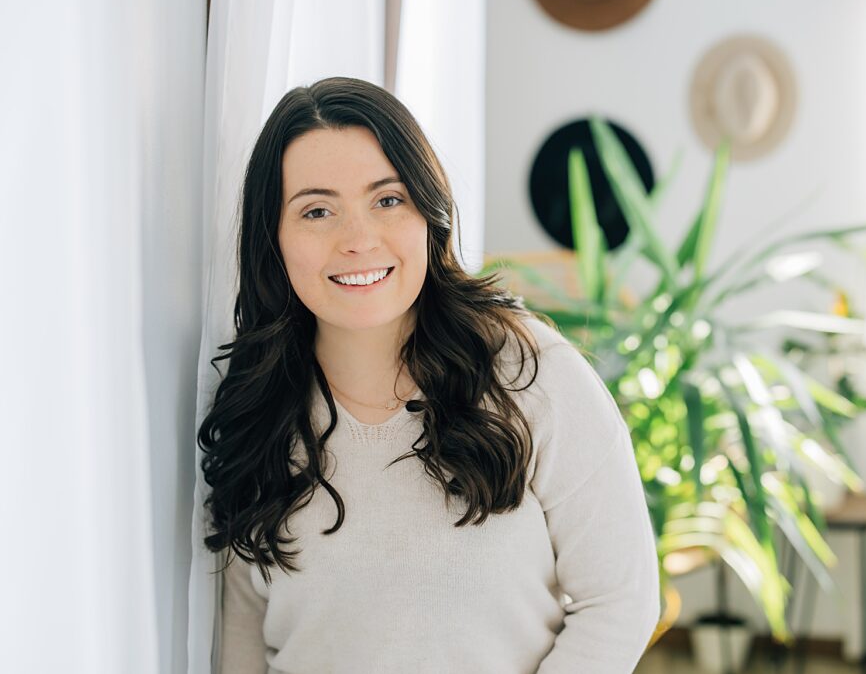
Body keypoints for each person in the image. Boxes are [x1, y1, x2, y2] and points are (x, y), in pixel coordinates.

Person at [197, 76, 660, 674]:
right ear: (274, 240)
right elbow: (239, 638)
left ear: (427, 215)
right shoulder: (254, 410)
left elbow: (619, 601)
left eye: (387, 200)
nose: (358, 239)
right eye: (317, 210)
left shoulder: (532, 376)